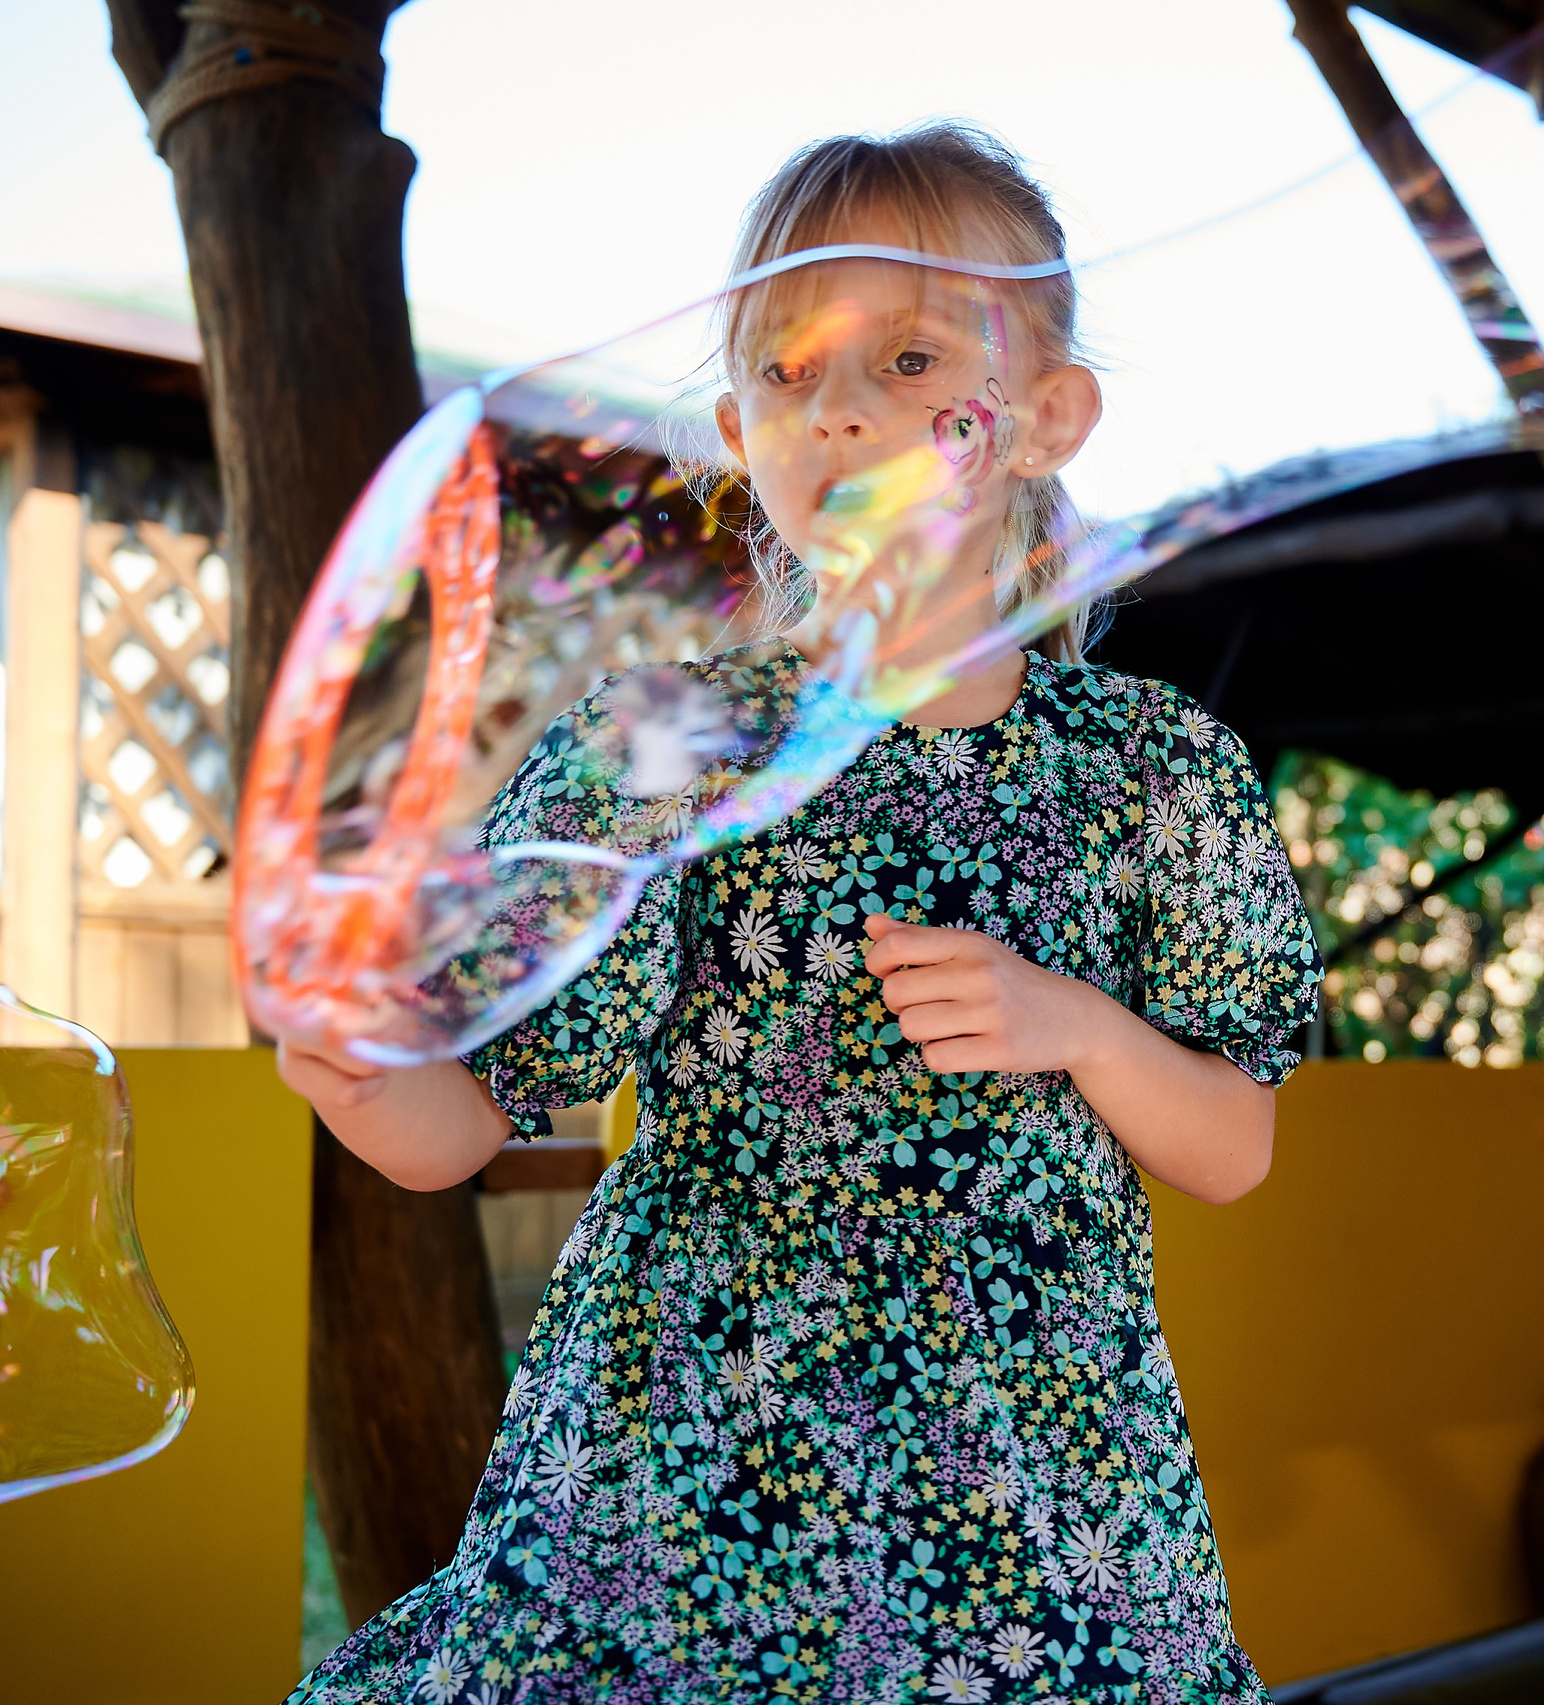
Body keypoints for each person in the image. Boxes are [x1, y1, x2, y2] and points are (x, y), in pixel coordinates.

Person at [279, 124, 1321, 1704]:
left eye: (907, 358)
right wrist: (349, 1058)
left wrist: (1075, 1023)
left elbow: (1231, 1147)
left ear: (1048, 418)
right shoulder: (669, 741)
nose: (835, 406)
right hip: (695, 1468)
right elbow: (452, 1129)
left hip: (1038, 1488)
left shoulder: (1155, 768)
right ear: (734, 429)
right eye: (784, 371)